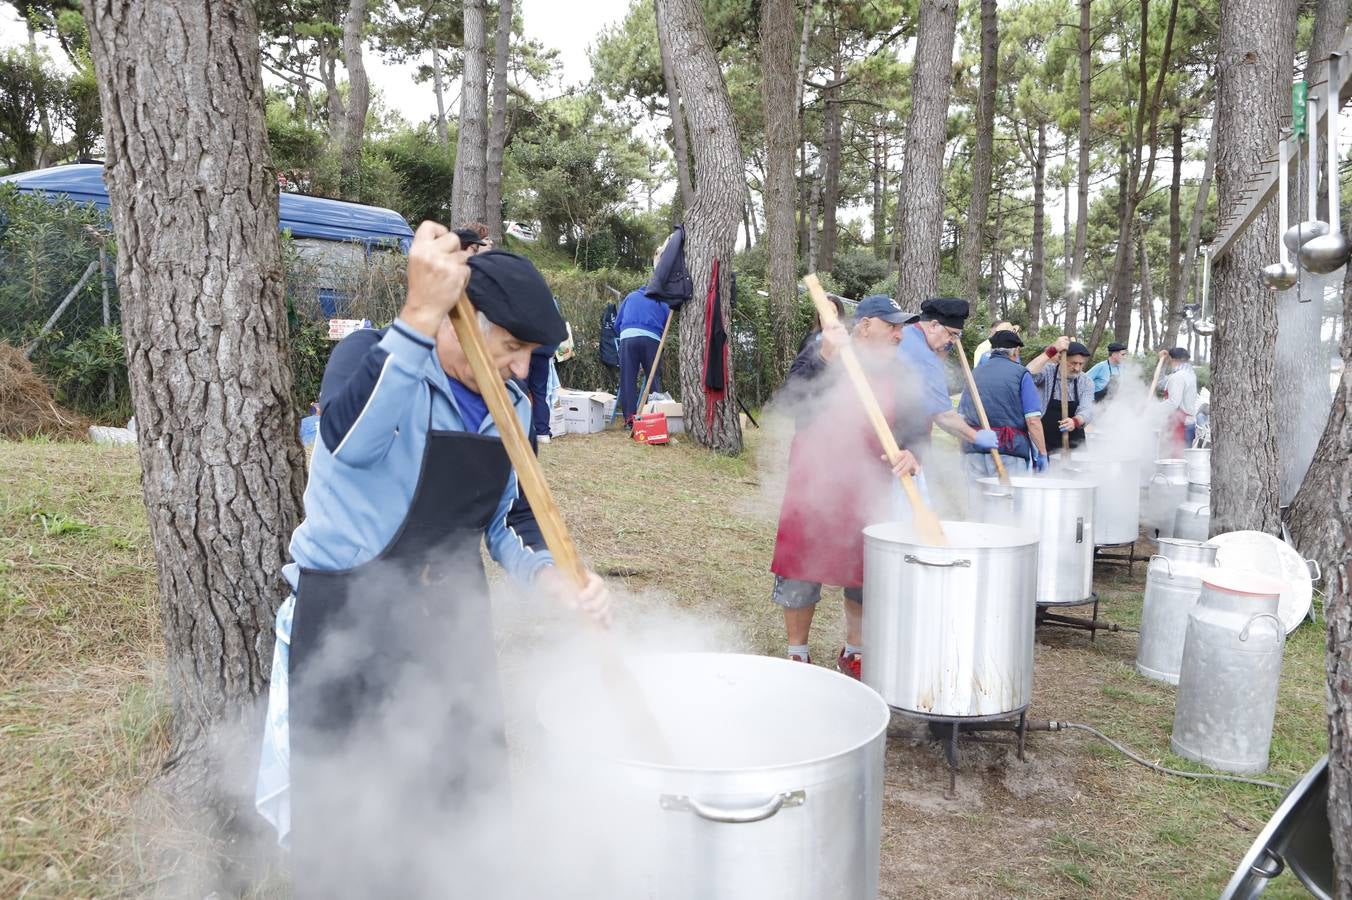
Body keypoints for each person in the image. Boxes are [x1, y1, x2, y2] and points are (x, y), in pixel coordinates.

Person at [254, 224, 611, 896]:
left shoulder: (512, 402)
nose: (520, 369)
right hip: (346, 620)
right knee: (351, 828)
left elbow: (509, 518)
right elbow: (350, 441)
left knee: (457, 806)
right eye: (509, 349)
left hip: (449, 622)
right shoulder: (372, 354)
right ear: (461, 318)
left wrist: (557, 580)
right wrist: (418, 314)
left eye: (531, 355)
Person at [770, 294, 922, 679]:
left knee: (864, 569)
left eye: (902, 327)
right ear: (866, 324)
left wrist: (911, 453)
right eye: (893, 326)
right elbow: (792, 401)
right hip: (815, 478)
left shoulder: (897, 370)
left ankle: (854, 652)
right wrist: (824, 355)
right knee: (801, 565)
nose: (900, 335)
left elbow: (912, 426)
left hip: (869, 484)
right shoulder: (826, 350)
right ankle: (797, 654)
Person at [895, 297, 999, 461]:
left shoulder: (904, 335)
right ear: (934, 325)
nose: (953, 341)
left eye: (957, 337)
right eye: (952, 334)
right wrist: (976, 436)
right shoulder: (925, 358)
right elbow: (943, 416)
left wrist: (944, 348)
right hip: (903, 448)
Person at [957, 329, 1049, 506]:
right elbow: (1033, 420)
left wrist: (962, 450)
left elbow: (960, 418)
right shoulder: (1021, 374)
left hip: (974, 448)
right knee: (1009, 507)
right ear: (1015, 350)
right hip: (1009, 450)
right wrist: (1043, 453)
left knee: (978, 506)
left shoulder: (974, 374)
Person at [1026, 336, 1097, 451]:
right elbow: (1028, 374)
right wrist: (1051, 350)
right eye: (1073, 363)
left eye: (1081, 364)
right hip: (1045, 441)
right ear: (1061, 359)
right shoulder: (1047, 371)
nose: (1077, 368)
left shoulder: (1086, 381)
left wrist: (1075, 421)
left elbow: (1087, 410)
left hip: (1074, 443)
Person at [615, 287, 670, 424]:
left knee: (627, 379)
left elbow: (617, 323)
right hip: (651, 339)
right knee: (653, 378)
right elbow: (666, 325)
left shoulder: (631, 296)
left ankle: (629, 419)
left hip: (628, 337)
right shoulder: (661, 301)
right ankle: (652, 416)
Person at [1159, 346, 1199, 453]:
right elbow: (1161, 383)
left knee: (1176, 463)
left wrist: (1152, 408)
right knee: (1183, 463)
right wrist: (1162, 362)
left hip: (1181, 426)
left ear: (1172, 360)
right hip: (1187, 424)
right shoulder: (1189, 374)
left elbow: (1173, 403)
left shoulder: (1178, 377)